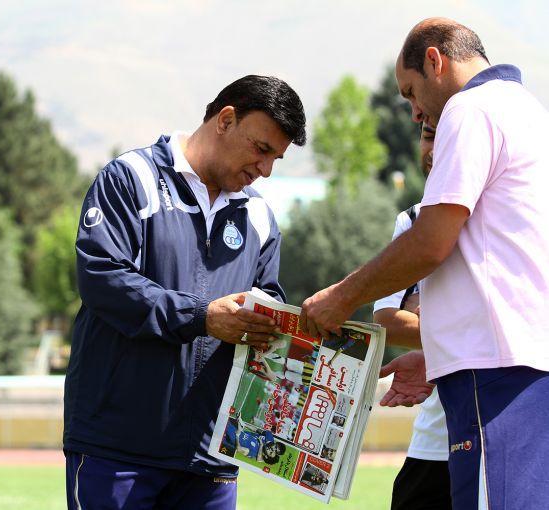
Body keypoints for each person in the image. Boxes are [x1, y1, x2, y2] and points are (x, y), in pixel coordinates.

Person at [299, 17, 549, 509]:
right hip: (522, 370)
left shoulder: (469, 109)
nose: (414, 113)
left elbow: (430, 243)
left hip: (494, 376)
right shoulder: (529, 111)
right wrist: (438, 353)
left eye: (411, 92)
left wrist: (340, 297)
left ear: (435, 60)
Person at [64, 75, 307, 509]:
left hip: (211, 461)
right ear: (225, 120)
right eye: (261, 149)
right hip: (118, 450)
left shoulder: (260, 216)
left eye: (276, 158)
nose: (266, 169)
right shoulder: (131, 178)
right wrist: (201, 317)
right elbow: (102, 277)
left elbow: (267, 312)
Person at [374, 123, 451, 510]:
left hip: (511, 426)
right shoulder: (414, 219)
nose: (432, 149)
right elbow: (386, 319)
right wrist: (445, 346)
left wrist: (439, 329)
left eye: (447, 135)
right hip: (438, 435)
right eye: (428, 134)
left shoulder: (522, 217)